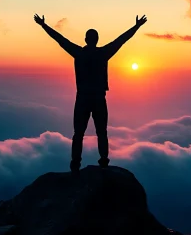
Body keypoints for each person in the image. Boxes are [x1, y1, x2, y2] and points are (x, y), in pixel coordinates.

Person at [34, 13, 147, 173]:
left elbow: (60, 40)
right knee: (102, 132)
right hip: (99, 98)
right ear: (97, 40)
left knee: (78, 133)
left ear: (86, 40)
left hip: (82, 99)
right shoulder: (103, 53)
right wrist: (136, 26)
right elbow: (121, 40)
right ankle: (103, 161)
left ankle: (75, 165)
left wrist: (43, 25)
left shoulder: (79, 53)